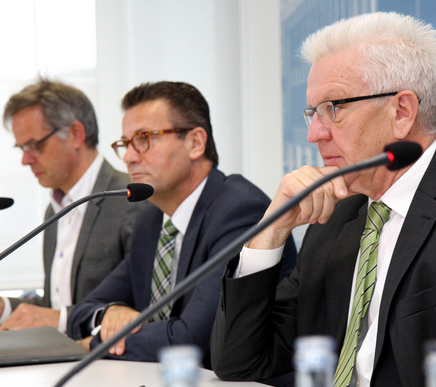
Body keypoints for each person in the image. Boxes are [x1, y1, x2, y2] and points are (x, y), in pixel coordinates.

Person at [210, 12, 436, 387]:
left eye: (334, 108)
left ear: (402, 112)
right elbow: (240, 362)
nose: (314, 133)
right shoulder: (338, 215)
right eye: (312, 112)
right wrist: (272, 230)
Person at [67, 81, 297, 366]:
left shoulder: (238, 211)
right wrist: (110, 314)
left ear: (195, 143)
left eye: (144, 138)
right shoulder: (152, 221)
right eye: (125, 144)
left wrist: (98, 341)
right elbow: (83, 311)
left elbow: (193, 340)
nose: (129, 157)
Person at [0, 79, 142, 333]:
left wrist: (60, 320)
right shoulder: (55, 208)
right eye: (21, 148)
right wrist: (0, 308)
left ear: (76, 134)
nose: (25, 159)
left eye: (35, 145)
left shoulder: (127, 199)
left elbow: (139, 310)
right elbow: (56, 307)